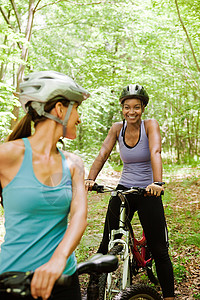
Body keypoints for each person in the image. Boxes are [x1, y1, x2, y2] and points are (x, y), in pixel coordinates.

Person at [0, 71, 89, 300]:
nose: (79, 118)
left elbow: (79, 216)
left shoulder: (74, 163)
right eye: (76, 108)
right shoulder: (8, 155)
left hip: (64, 279)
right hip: (14, 280)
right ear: (60, 109)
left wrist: (59, 259)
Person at [85, 84, 175, 300]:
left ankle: (170, 296)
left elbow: (155, 151)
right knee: (106, 242)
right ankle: (92, 293)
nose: (131, 112)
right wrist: (90, 178)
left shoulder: (150, 125)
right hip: (124, 188)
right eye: (127, 107)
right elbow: (103, 152)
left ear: (143, 108)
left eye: (136, 107)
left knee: (160, 250)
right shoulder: (117, 128)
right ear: (122, 108)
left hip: (147, 191)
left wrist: (157, 182)